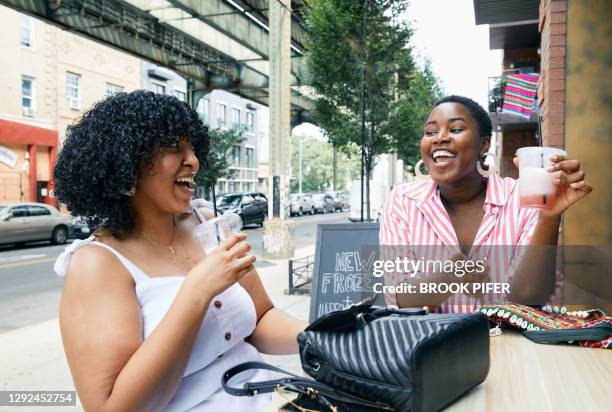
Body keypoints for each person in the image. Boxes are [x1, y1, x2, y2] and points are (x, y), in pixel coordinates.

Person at [53, 90, 306, 411]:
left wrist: (321, 339)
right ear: (128, 163)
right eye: (175, 148)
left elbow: (261, 320)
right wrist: (196, 293)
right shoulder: (97, 264)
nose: (194, 160)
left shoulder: (207, 222)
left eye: (193, 147)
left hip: (273, 399)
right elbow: (112, 407)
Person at [379, 95, 592, 313]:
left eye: (455, 129)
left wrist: (549, 216)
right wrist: (451, 277)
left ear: (483, 145)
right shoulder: (403, 201)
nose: (439, 138)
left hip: (511, 344)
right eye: (430, 132)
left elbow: (529, 298)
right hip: (431, 343)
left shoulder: (524, 197)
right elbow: (401, 297)